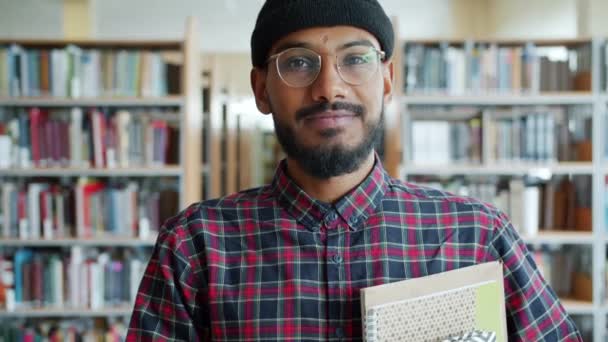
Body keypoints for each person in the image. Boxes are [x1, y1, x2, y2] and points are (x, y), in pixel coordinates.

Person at [126, 0, 583, 340]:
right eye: (299, 63)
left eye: (355, 59)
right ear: (261, 90)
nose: (329, 89)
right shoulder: (195, 246)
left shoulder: (477, 235)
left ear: (386, 79)